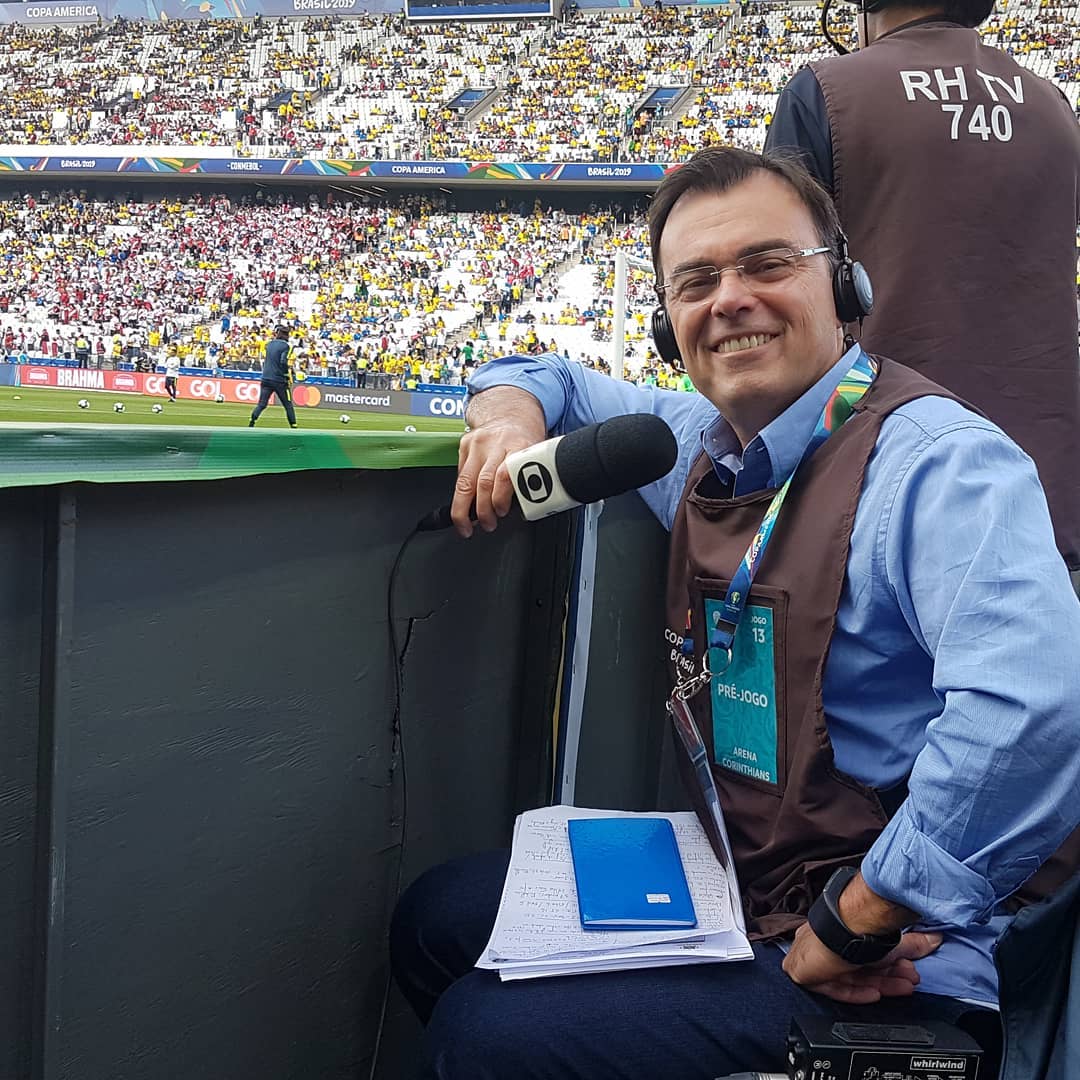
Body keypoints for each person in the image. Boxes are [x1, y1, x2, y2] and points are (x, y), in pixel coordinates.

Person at [389, 148, 1080, 1079]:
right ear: (671, 326)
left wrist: (867, 914)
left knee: (486, 1035)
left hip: (906, 945)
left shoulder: (942, 464)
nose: (730, 300)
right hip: (749, 883)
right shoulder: (700, 447)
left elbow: (1035, 713)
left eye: (767, 264)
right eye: (697, 282)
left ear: (844, 283)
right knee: (435, 917)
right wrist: (509, 416)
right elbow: (542, 369)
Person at [763, 0, 1080, 573]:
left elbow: (777, 288)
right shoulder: (1054, 107)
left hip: (888, 498)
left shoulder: (824, 93)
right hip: (1050, 503)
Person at [248, 325, 297, 429]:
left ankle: (252, 421)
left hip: (265, 378)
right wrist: (286, 374)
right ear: (286, 335)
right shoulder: (286, 346)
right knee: (288, 405)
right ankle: (294, 426)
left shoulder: (269, 344)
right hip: (279, 380)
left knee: (262, 404)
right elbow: (283, 361)